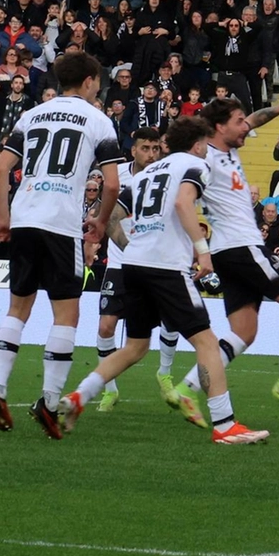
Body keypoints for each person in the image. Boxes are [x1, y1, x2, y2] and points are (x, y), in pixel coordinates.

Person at [57, 116, 269, 445]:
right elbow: (184, 202)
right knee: (208, 343)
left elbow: (115, 214)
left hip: (134, 263)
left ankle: (78, 397)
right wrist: (202, 251)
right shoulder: (195, 166)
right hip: (166, 265)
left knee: (135, 347)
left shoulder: (146, 173)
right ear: (199, 144)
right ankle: (226, 426)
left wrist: (115, 235)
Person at [0, 52, 125, 438]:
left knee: (18, 308)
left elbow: (0, 169)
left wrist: (3, 217)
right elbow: (111, 184)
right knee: (66, 316)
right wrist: (98, 220)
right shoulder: (98, 120)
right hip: (61, 224)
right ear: (91, 81)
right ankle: (48, 403)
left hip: (26, 217)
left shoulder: (32, 114)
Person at [173, 98, 279, 419]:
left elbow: (256, 119)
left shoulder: (230, 146)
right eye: (239, 122)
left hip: (230, 253)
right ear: (220, 127)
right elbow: (183, 199)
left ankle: (186, 387)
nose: (245, 127)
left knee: (244, 332)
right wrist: (200, 249)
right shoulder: (203, 160)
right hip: (241, 246)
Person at [93, 127, 184, 412]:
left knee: (172, 319)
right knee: (106, 326)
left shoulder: (168, 174)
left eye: (155, 148)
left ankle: (165, 373)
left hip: (157, 260)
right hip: (121, 262)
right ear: (133, 150)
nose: (151, 154)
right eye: (145, 148)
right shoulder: (116, 175)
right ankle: (110, 390)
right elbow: (105, 214)